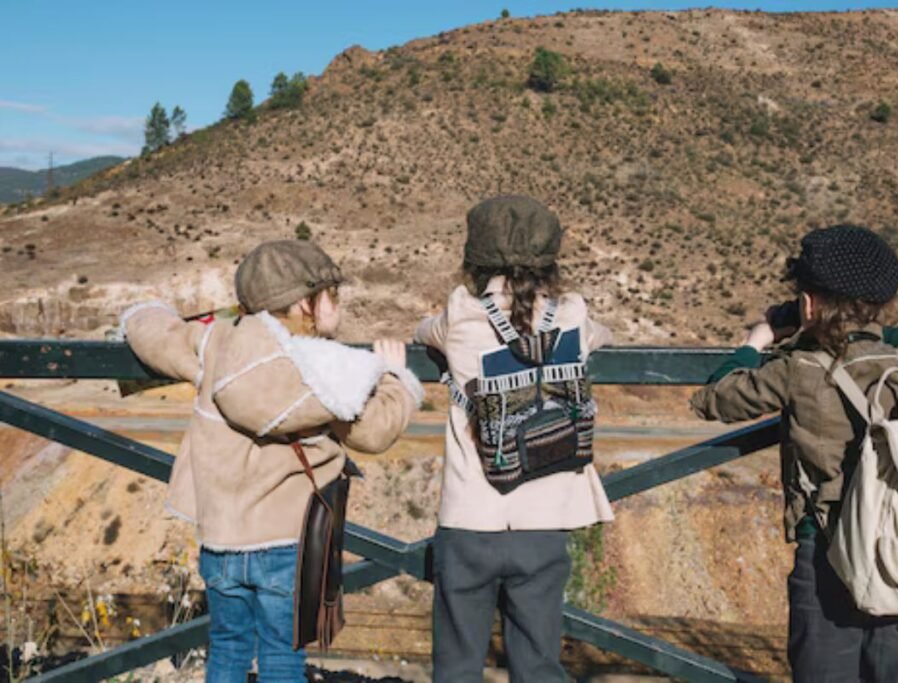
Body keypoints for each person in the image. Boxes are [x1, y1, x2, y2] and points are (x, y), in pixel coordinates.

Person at [120, 240, 423, 683]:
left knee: (227, 649)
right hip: (286, 544)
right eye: (333, 296)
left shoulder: (215, 340)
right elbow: (374, 431)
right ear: (305, 303)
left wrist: (142, 312)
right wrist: (397, 379)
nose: (337, 305)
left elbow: (153, 334)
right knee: (283, 658)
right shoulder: (324, 368)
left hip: (222, 541)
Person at [690, 225, 898, 683]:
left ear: (808, 305)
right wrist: (867, 325)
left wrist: (759, 339)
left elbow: (716, 395)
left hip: (830, 548)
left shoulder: (796, 370)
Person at [415, 195, 614, 683]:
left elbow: (425, 332)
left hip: (469, 523)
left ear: (474, 260)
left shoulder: (461, 314)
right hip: (544, 525)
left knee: (457, 666)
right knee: (539, 665)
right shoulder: (571, 314)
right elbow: (601, 335)